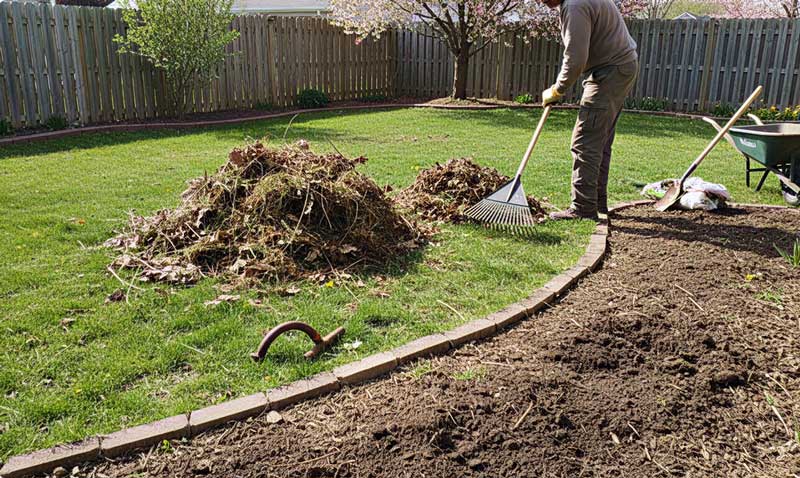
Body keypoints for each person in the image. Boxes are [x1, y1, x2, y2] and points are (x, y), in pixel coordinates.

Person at [540, 0, 639, 220]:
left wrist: (557, 89)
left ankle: (583, 208)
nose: (540, 1)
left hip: (610, 70)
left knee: (585, 140)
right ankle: (597, 202)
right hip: (618, 67)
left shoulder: (575, 5)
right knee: (599, 139)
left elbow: (576, 59)